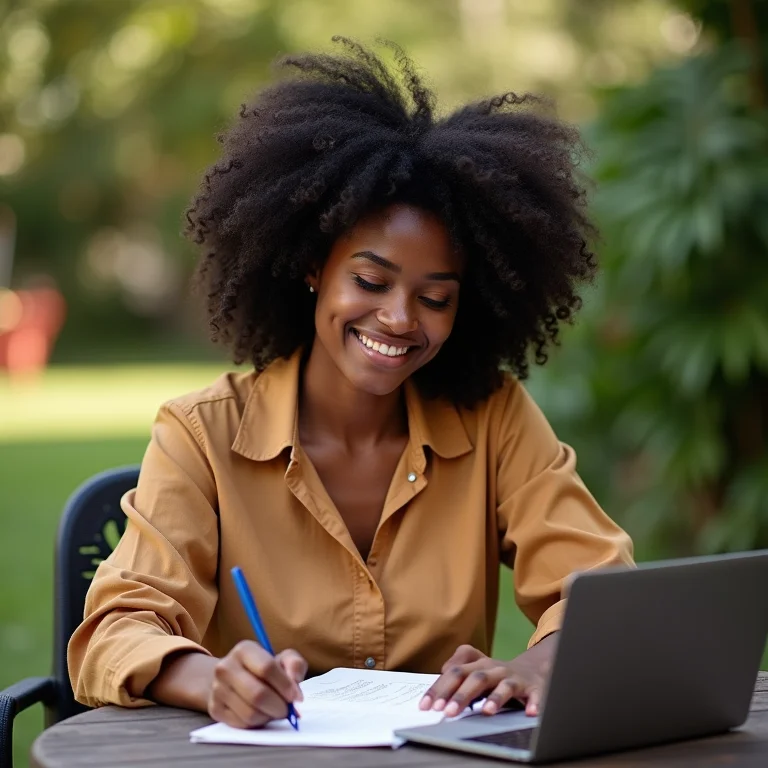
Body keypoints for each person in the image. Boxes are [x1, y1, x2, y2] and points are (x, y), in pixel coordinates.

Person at [68, 38, 633, 730]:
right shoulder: (202, 435)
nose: (399, 319)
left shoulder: (495, 420)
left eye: (436, 297)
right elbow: (115, 630)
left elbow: (602, 589)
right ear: (313, 265)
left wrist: (538, 663)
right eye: (370, 280)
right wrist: (213, 679)